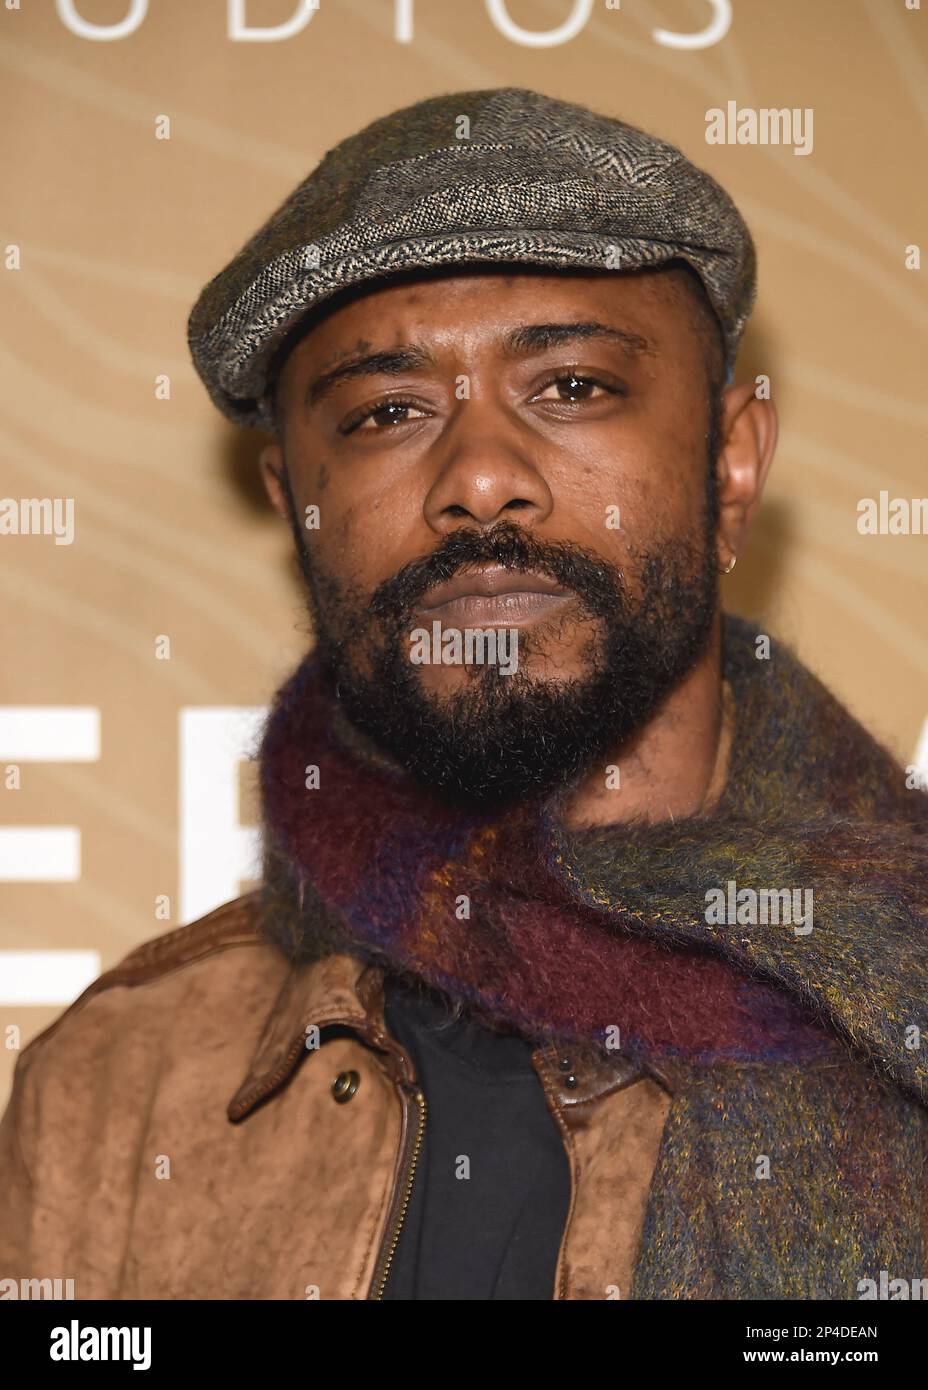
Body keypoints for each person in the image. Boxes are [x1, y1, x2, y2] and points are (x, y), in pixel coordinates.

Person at [1, 87, 926, 1302]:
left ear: (730, 461)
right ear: (295, 502)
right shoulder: (120, 1083)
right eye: (390, 412)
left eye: (573, 387)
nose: (482, 478)